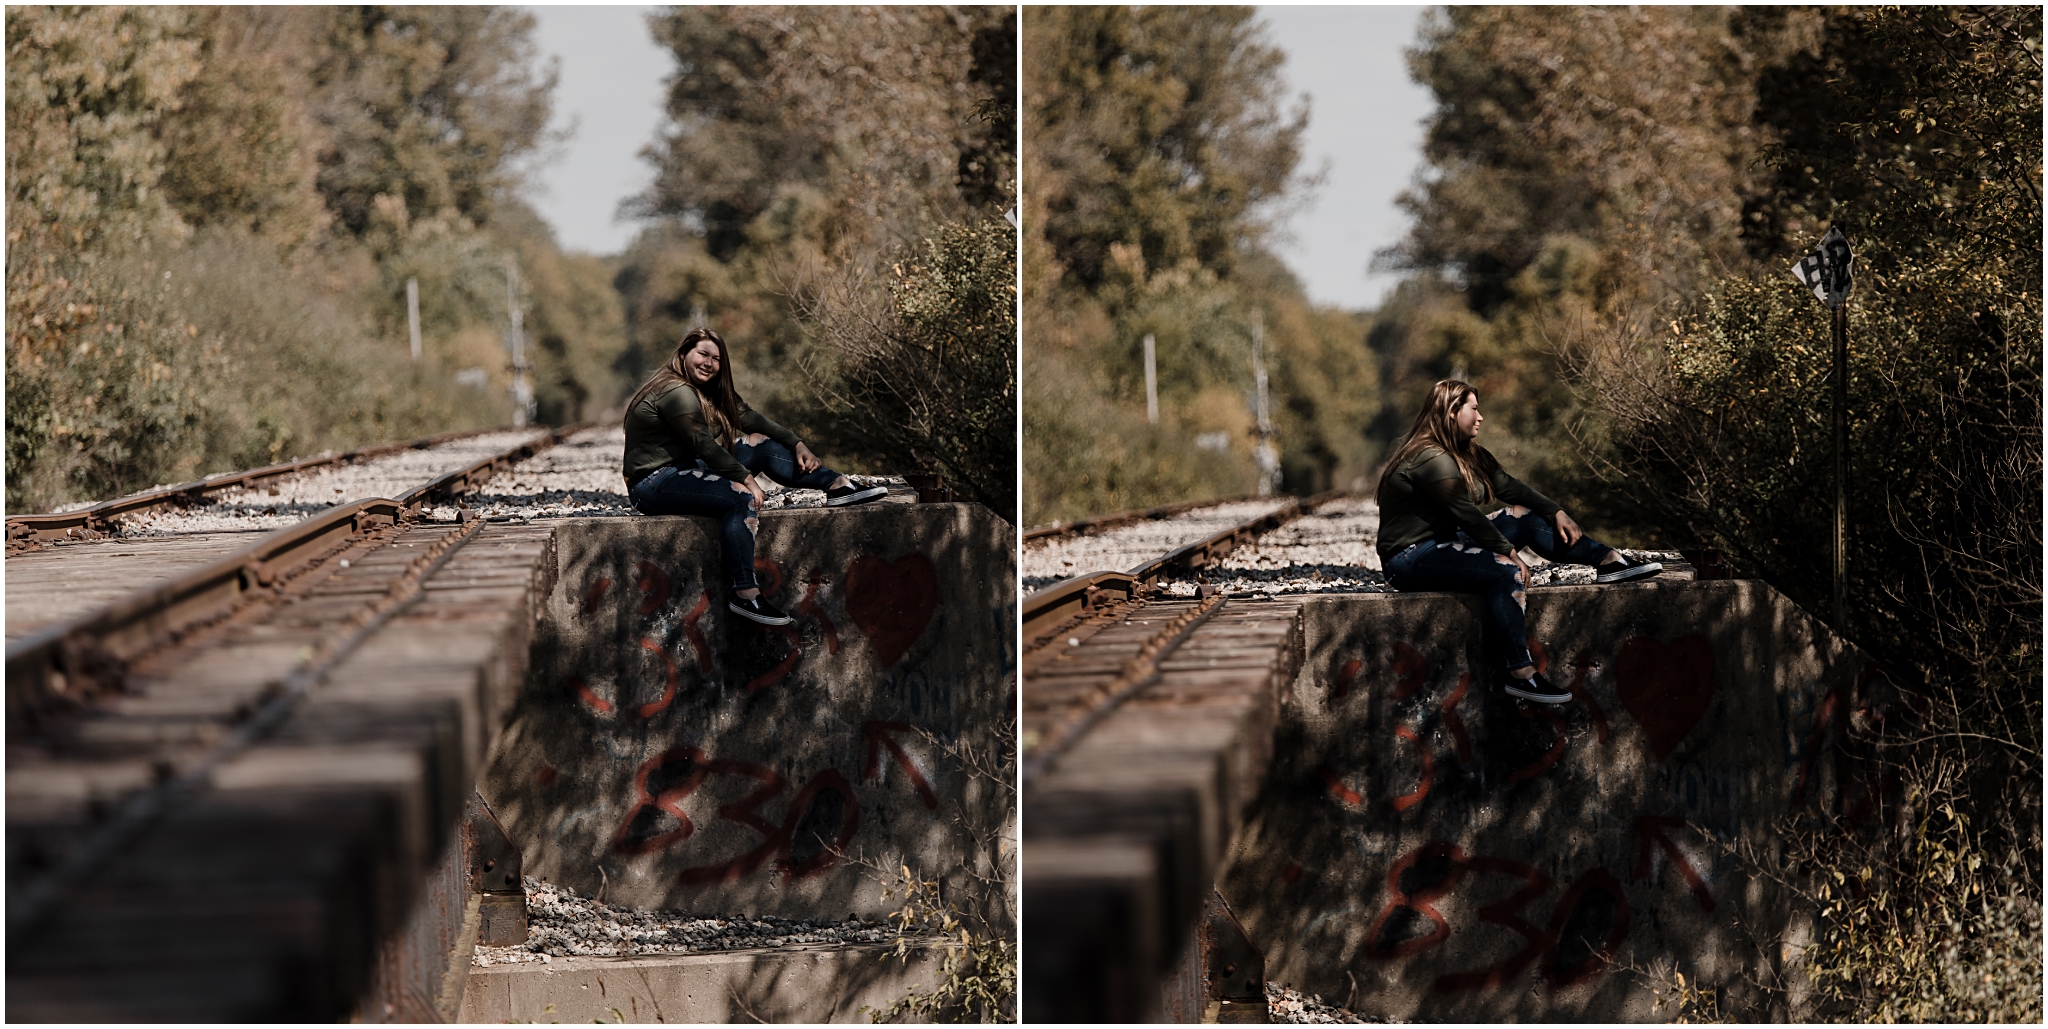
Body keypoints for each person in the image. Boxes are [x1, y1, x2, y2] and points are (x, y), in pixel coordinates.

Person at [1375, 379, 1660, 704]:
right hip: (1408, 559)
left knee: (1522, 516)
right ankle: (1521, 674)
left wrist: (1556, 511)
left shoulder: (1466, 453)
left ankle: (1608, 561)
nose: (1481, 417)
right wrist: (1509, 553)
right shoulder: (1430, 457)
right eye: (1474, 409)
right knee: (1505, 571)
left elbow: (1510, 487)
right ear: (1453, 412)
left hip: (1442, 544)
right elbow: (1468, 515)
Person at [622, 327, 886, 626]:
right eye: (702, 354)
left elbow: (752, 420)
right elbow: (704, 444)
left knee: (758, 443)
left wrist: (797, 443)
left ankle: (837, 486)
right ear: (684, 354)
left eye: (716, 358)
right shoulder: (675, 391)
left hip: (683, 469)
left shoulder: (710, 392)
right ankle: (745, 594)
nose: (709, 363)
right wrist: (746, 479)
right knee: (740, 497)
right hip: (653, 483)